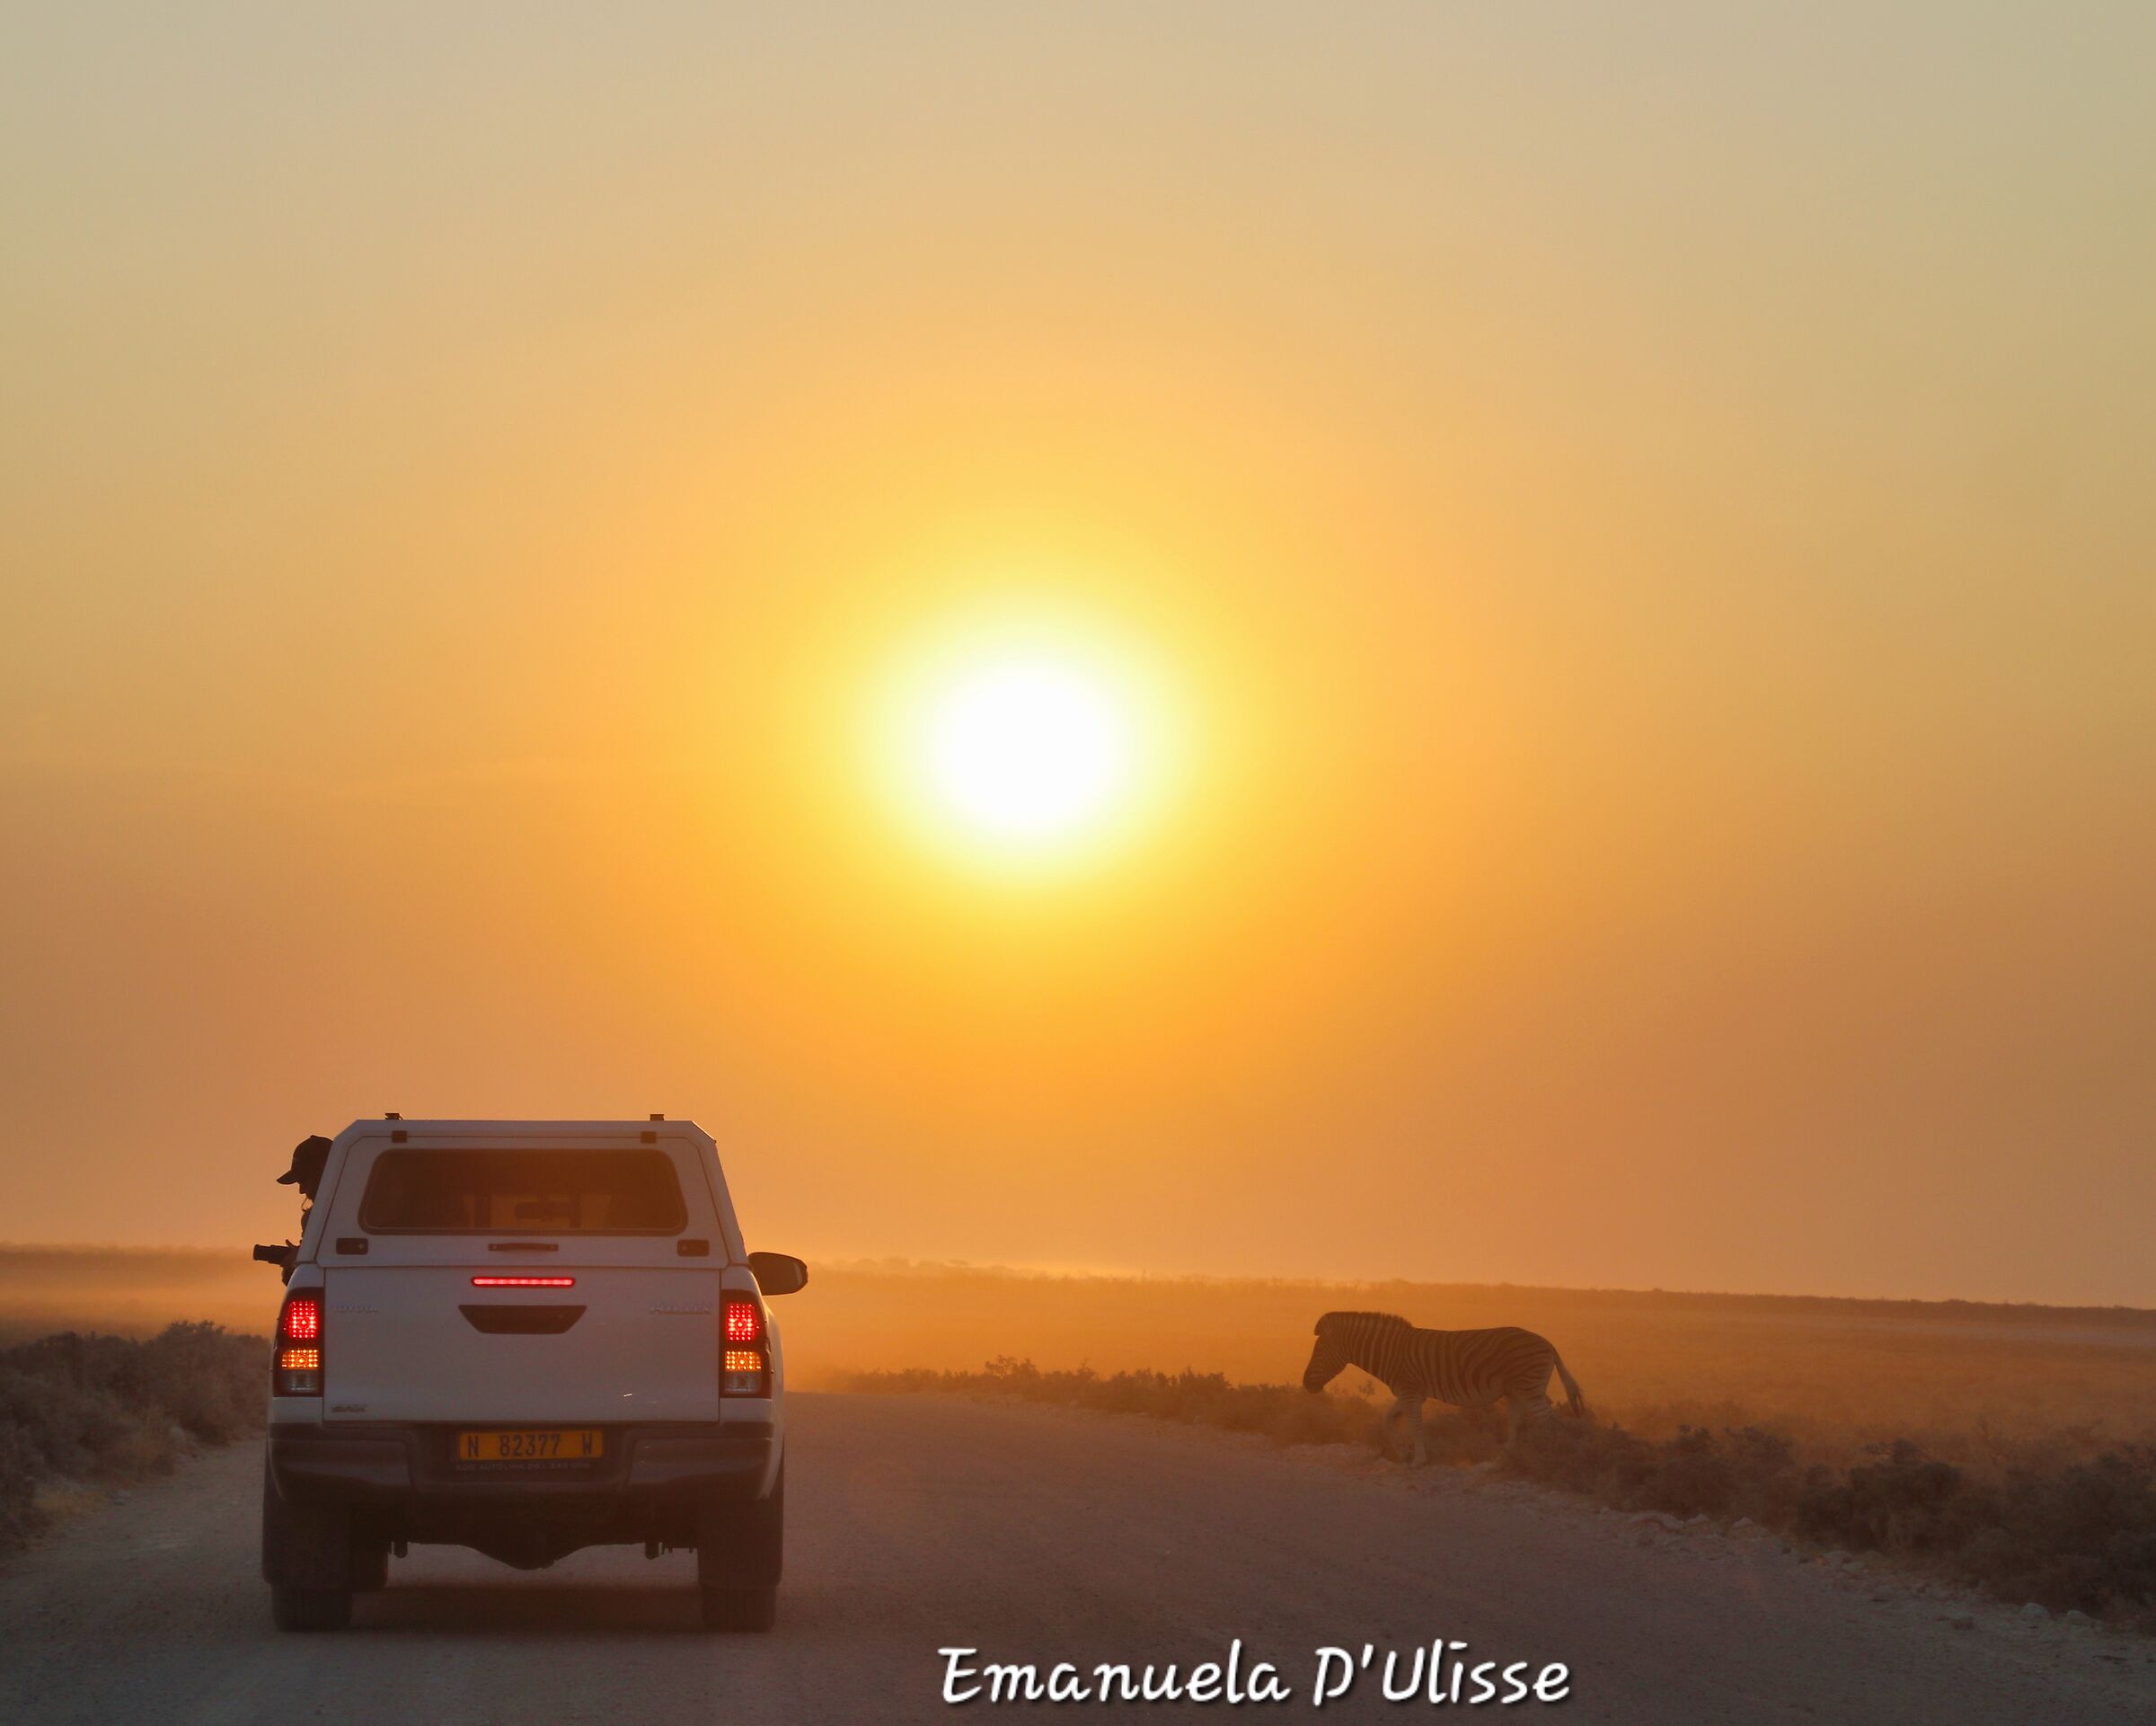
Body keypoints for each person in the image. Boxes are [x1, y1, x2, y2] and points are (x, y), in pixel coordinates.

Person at [253, 1134, 333, 1280]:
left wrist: (297, 1262)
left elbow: (308, 1279)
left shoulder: (317, 1217)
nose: (301, 1190)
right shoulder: (361, 1209)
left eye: (303, 1180)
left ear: (323, 1174)